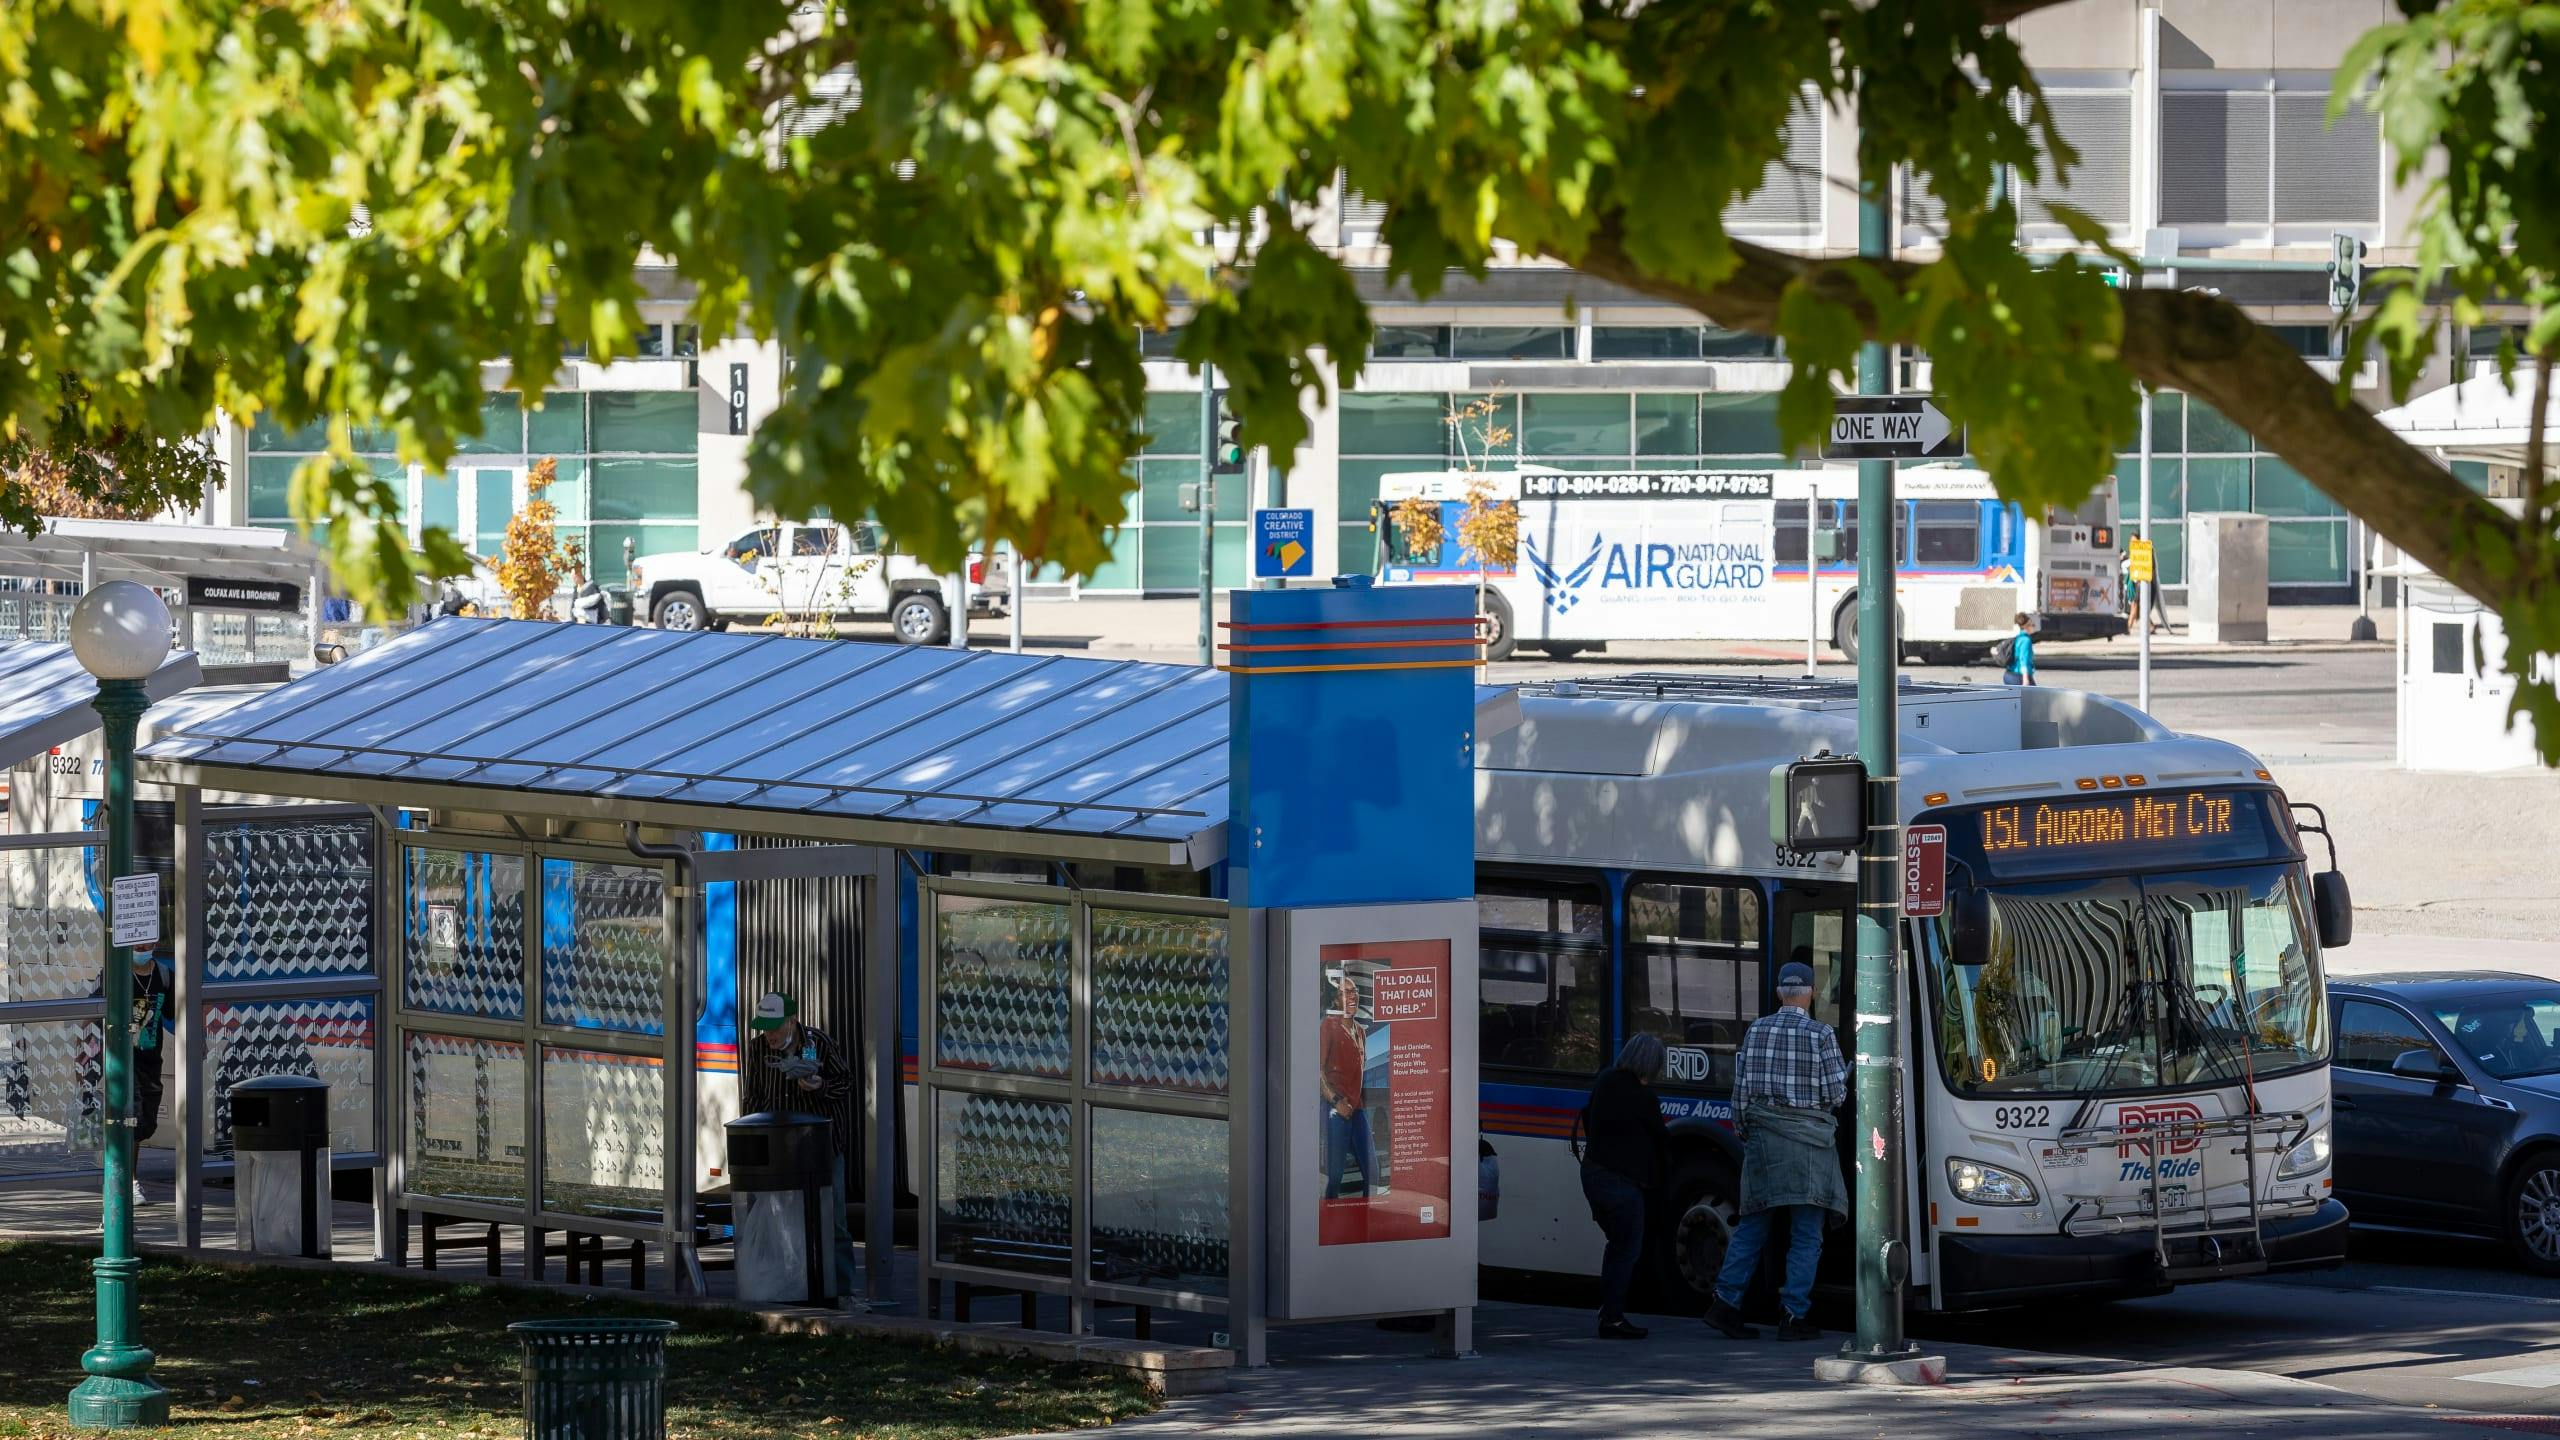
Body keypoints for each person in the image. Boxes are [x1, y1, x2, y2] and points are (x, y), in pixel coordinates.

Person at [1705, 960, 1847, 1343]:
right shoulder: (1822, 1035)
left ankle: (1725, 1303)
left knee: (1753, 1224)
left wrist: (1748, 1133)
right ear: (1811, 993)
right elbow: (1837, 1094)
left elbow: (1741, 1094)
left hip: (1765, 1143)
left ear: (1779, 992)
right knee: (1806, 1233)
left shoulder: (1756, 1030)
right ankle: (1792, 1314)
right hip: (1810, 1146)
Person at [742, 992, 862, 1304]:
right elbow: (753, 1097)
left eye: (774, 1028)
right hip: (779, 1148)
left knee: (832, 1221)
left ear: (792, 1021)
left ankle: (843, 1291)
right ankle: (788, 1287)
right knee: (780, 1220)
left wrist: (819, 1085)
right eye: (764, 1028)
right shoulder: (757, 1050)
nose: (769, 1035)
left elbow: (846, 1083)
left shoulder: (817, 1043)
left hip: (820, 1147)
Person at [1579, 1033, 1669, 1340]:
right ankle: (1613, 1319)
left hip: (1592, 1175)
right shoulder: (1644, 1097)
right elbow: (1660, 1137)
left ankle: (1609, 1309)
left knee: (1616, 1245)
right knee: (1625, 1250)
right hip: (1622, 1183)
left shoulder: (1605, 1081)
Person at [1320, 972, 1374, 1200]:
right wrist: (1335, 1101)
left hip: (1357, 1110)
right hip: (1335, 1110)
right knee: (1335, 1176)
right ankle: (1327, 1218)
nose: (1353, 996)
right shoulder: (1328, 1026)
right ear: (1335, 1000)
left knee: (1371, 1170)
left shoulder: (1361, 1032)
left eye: (1355, 991)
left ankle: (1365, 1216)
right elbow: (1316, 1070)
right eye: (1346, 992)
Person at [2003, 612, 2038, 686]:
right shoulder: (2026, 640)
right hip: (2018, 676)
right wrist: (2025, 679)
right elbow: (2023, 659)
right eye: (2033, 625)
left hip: (2009, 675)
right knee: (2035, 696)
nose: (2034, 627)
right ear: (2027, 626)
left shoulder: (2018, 638)